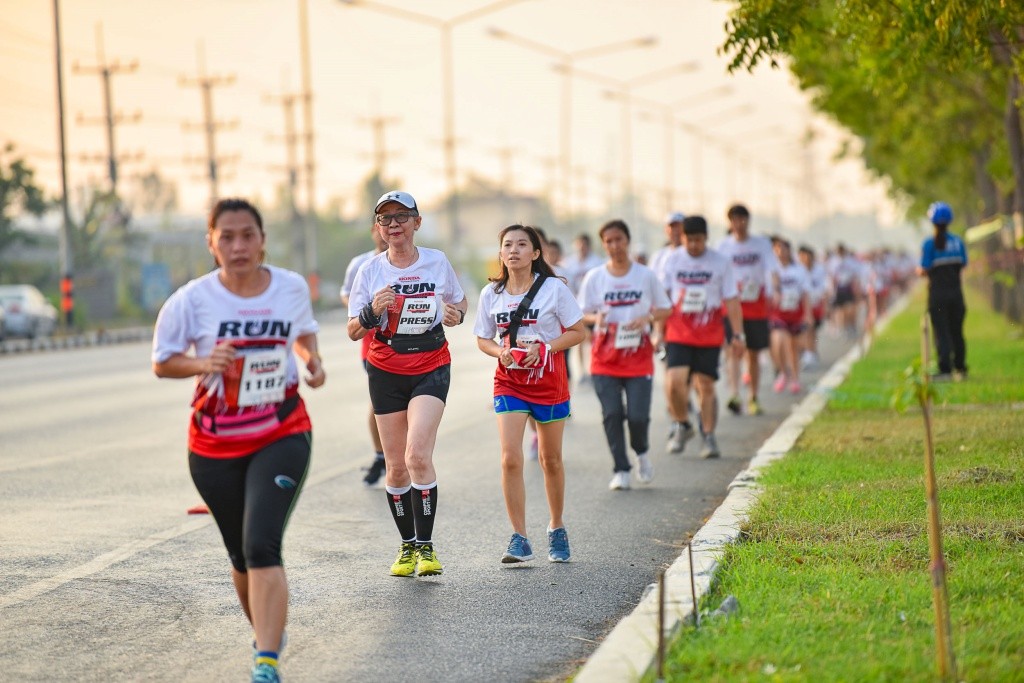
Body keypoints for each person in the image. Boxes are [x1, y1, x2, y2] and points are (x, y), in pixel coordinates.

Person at [152, 198, 326, 683]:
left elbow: (304, 336)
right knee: (240, 555)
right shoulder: (192, 300)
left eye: (247, 234)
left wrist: (312, 362)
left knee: (261, 544)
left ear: (262, 238)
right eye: (226, 236)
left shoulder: (290, 287)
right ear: (211, 242)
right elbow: (164, 361)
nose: (238, 245)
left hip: (282, 430)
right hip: (213, 445)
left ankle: (266, 663)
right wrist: (203, 363)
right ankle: (267, 634)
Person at [346, 191, 468, 577]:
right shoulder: (370, 271)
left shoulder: (436, 262)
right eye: (385, 219)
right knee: (397, 467)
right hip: (386, 369)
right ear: (379, 229)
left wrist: (455, 315)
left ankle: (428, 548)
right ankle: (407, 546)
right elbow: (353, 330)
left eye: (401, 217)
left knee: (417, 455)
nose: (393, 225)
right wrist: (372, 311)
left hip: (431, 362)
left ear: (417, 222)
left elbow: (460, 304)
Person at [474, 224, 585, 564]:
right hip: (509, 382)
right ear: (501, 254)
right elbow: (483, 338)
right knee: (510, 458)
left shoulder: (554, 289)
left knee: (549, 460)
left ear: (536, 253)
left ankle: (556, 526)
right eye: (508, 245)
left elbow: (579, 332)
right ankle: (519, 537)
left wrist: (547, 347)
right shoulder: (490, 294)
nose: (514, 250)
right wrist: (500, 353)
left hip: (549, 381)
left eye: (522, 244)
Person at [578, 220, 671, 490]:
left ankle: (641, 453)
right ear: (603, 245)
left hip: (638, 356)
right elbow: (580, 314)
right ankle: (621, 468)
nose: (614, 245)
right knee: (612, 413)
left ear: (627, 241)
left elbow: (666, 308)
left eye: (619, 239)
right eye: (608, 241)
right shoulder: (595, 277)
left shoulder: (645, 275)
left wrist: (647, 318)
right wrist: (597, 318)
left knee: (638, 416)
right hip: (604, 358)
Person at [661, 215, 745, 459]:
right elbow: (662, 297)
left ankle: (708, 435)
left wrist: (737, 334)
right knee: (675, 381)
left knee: (705, 385)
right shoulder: (673, 260)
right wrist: (658, 332)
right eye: (690, 240)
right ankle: (682, 424)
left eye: (699, 240)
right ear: (682, 238)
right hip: (678, 330)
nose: (694, 246)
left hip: (709, 332)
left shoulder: (720, 262)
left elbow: (731, 299)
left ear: (706, 238)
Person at [715, 204, 778, 416]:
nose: (739, 224)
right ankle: (734, 394)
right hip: (732, 306)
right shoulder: (723, 247)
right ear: (729, 222)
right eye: (735, 220)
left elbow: (772, 269)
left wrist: (775, 289)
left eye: (742, 219)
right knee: (734, 350)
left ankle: (753, 396)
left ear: (748, 221)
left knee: (753, 354)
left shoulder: (761, 244)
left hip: (756, 306)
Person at [340, 224, 389, 486]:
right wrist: (368, 309)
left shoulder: (412, 262)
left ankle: (404, 458)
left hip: (409, 344)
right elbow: (347, 296)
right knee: (380, 402)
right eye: (383, 225)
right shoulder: (361, 264)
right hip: (371, 345)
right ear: (373, 230)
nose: (389, 230)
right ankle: (381, 455)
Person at [917, 201, 968, 380]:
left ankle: (945, 369)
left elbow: (924, 269)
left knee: (941, 332)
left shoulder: (929, 245)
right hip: (956, 295)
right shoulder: (958, 242)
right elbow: (962, 265)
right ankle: (960, 368)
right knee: (957, 332)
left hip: (937, 296)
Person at [768, 238, 813, 394]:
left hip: (796, 312)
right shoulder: (772, 271)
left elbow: (806, 292)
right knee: (778, 342)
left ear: (789, 251)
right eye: (777, 250)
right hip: (778, 313)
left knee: (793, 347)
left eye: (783, 249)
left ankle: (795, 378)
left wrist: (808, 313)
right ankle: (783, 372)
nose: (780, 253)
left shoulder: (799, 270)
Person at [560, 233, 604, 384]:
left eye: (584, 246)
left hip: (593, 308)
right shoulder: (569, 263)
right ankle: (583, 371)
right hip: (575, 306)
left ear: (589, 246)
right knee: (578, 338)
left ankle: (594, 368)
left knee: (592, 339)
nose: (581, 249)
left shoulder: (597, 262)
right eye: (578, 246)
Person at [797, 244, 827, 369]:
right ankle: (807, 352)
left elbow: (824, 288)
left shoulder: (819, 270)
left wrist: (825, 305)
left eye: (807, 257)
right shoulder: (797, 270)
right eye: (802, 257)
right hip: (801, 306)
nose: (805, 260)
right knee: (804, 330)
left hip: (815, 304)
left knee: (812, 330)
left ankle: (811, 352)